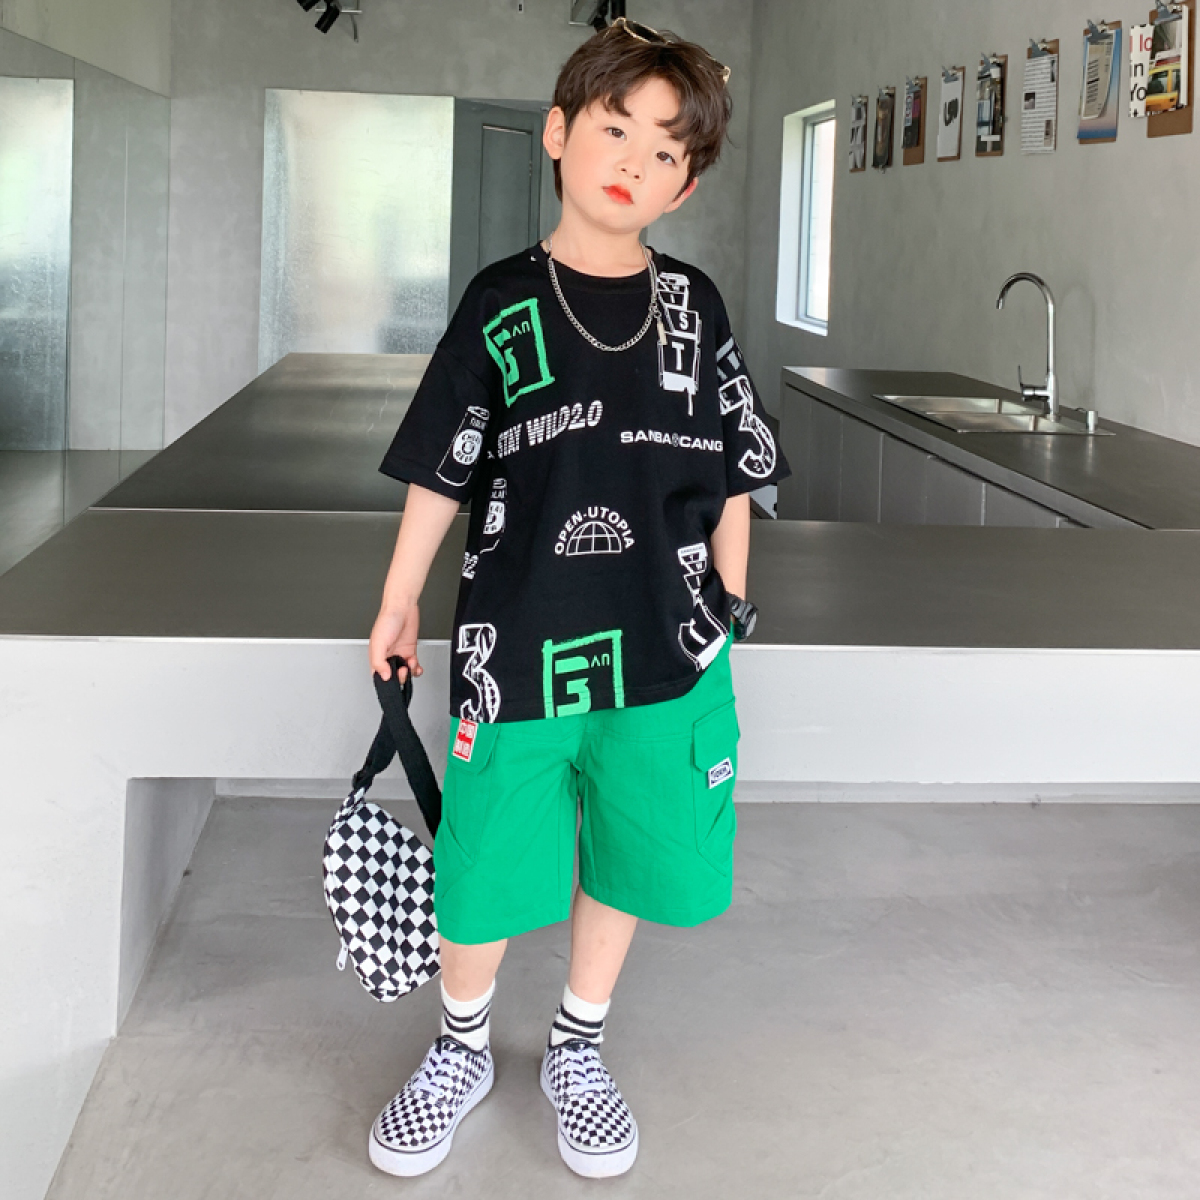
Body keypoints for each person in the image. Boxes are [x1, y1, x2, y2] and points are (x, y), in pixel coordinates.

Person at [365, 17, 790, 1179]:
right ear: (558, 133)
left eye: (665, 151)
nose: (634, 162)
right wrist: (400, 599)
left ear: (685, 183)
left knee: (631, 851)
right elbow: (443, 465)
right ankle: (460, 1048)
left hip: (668, 650)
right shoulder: (501, 302)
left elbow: (736, 471)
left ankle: (577, 1044)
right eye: (615, 129)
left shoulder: (695, 305)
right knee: (484, 863)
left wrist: (726, 610)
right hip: (517, 650)